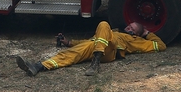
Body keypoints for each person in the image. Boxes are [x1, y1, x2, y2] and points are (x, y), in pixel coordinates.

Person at [16, 21, 166, 77]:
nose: (128, 27)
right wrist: (69, 42)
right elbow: (89, 41)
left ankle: (96, 61)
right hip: (95, 46)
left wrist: (146, 33)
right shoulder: (110, 32)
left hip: (110, 51)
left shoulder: (133, 40)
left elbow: (160, 45)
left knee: (103, 24)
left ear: (136, 33)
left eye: (132, 28)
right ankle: (37, 66)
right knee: (71, 54)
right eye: (128, 25)